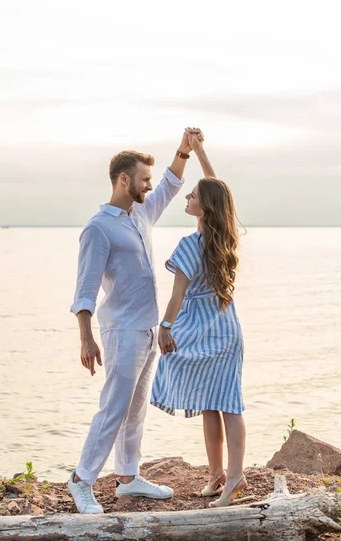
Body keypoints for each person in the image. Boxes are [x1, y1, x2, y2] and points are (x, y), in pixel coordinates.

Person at [69, 129, 201, 514]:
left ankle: (128, 478)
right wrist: (85, 338)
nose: (149, 185)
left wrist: (184, 149)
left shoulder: (140, 212)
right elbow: (85, 290)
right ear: (123, 179)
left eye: (149, 179)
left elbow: (171, 184)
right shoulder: (98, 228)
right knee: (114, 406)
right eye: (143, 178)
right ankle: (82, 480)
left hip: (147, 328)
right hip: (121, 330)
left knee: (135, 409)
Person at [150, 131, 247, 508]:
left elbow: (176, 296)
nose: (187, 198)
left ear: (203, 208)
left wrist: (165, 326)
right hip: (226, 331)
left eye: (192, 196)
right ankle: (217, 475)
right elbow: (218, 191)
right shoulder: (226, 237)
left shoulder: (191, 245)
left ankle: (234, 478)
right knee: (217, 401)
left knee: (224, 403)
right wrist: (200, 151)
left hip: (206, 331)